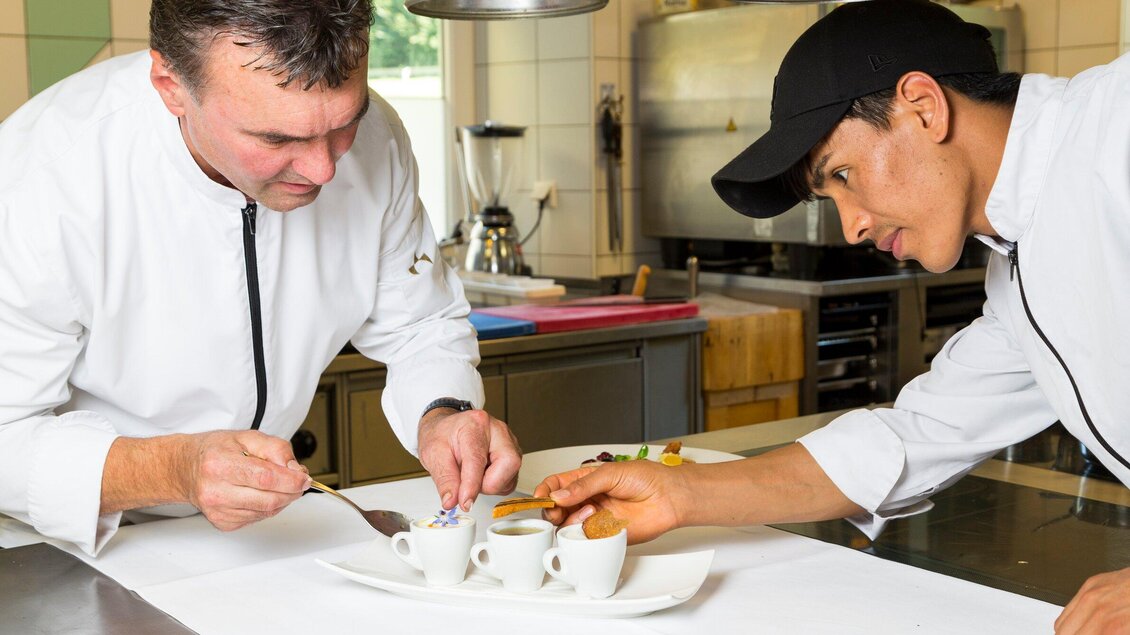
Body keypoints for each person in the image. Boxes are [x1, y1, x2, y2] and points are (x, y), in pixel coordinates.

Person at [534, 1, 1130, 632]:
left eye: (844, 174)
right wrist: (680, 494)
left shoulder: (1111, 128)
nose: (852, 228)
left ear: (923, 107)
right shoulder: (1016, 281)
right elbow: (912, 437)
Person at [0, 0, 521, 556]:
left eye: (346, 123)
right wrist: (172, 470)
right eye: (275, 139)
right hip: (62, 548)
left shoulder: (379, 139)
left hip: (255, 536)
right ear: (171, 85)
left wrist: (444, 414)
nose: (323, 170)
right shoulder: (42, 174)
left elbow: (421, 324)